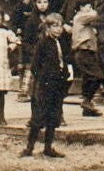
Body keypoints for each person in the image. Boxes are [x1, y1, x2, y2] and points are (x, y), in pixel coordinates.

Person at [21, 13, 70, 158]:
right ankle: (29, 148)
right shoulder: (43, 43)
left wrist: (64, 75)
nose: (58, 29)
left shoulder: (61, 42)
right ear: (48, 28)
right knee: (38, 117)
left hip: (57, 85)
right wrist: (44, 79)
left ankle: (48, 148)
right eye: (55, 26)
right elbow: (35, 66)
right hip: (45, 86)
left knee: (53, 117)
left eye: (60, 26)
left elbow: (63, 60)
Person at [15, 0, 51, 102]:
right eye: (39, 2)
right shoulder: (31, 20)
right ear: (35, 3)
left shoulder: (51, 18)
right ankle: (27, 92)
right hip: (36, 50)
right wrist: (33, 50)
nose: (42, 5)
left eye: (45, 2)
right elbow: (27, 41)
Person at [70, 2, 104, 117]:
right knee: (98, 76)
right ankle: (87, 101)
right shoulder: (79, 17)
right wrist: (93, 11)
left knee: (87, 78)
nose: (90, 10)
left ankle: (87, 107)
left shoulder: (84, 21)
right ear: (80, 8)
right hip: (83, 52)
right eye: (88, 7)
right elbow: (95, 15)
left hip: (87, 52)